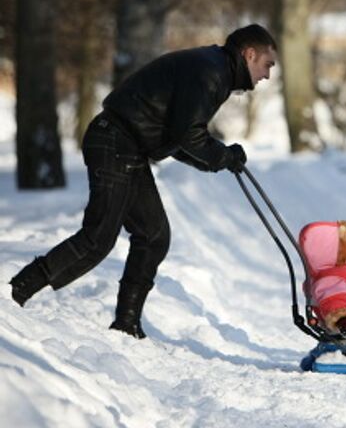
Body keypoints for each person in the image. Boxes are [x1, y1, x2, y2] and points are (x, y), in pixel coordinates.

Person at [9, 24, 278, 339]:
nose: (268, 75)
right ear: (248, 54)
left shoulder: (213, 67)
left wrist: (216, 161)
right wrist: (222, 156)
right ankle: (17, 290)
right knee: (98, 238)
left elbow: (178, 134)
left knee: (153, 236)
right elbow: (189, 134)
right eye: (267, 64)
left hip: (126, 145)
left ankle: (126, 325)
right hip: (115, 141)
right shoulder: (211, 72)